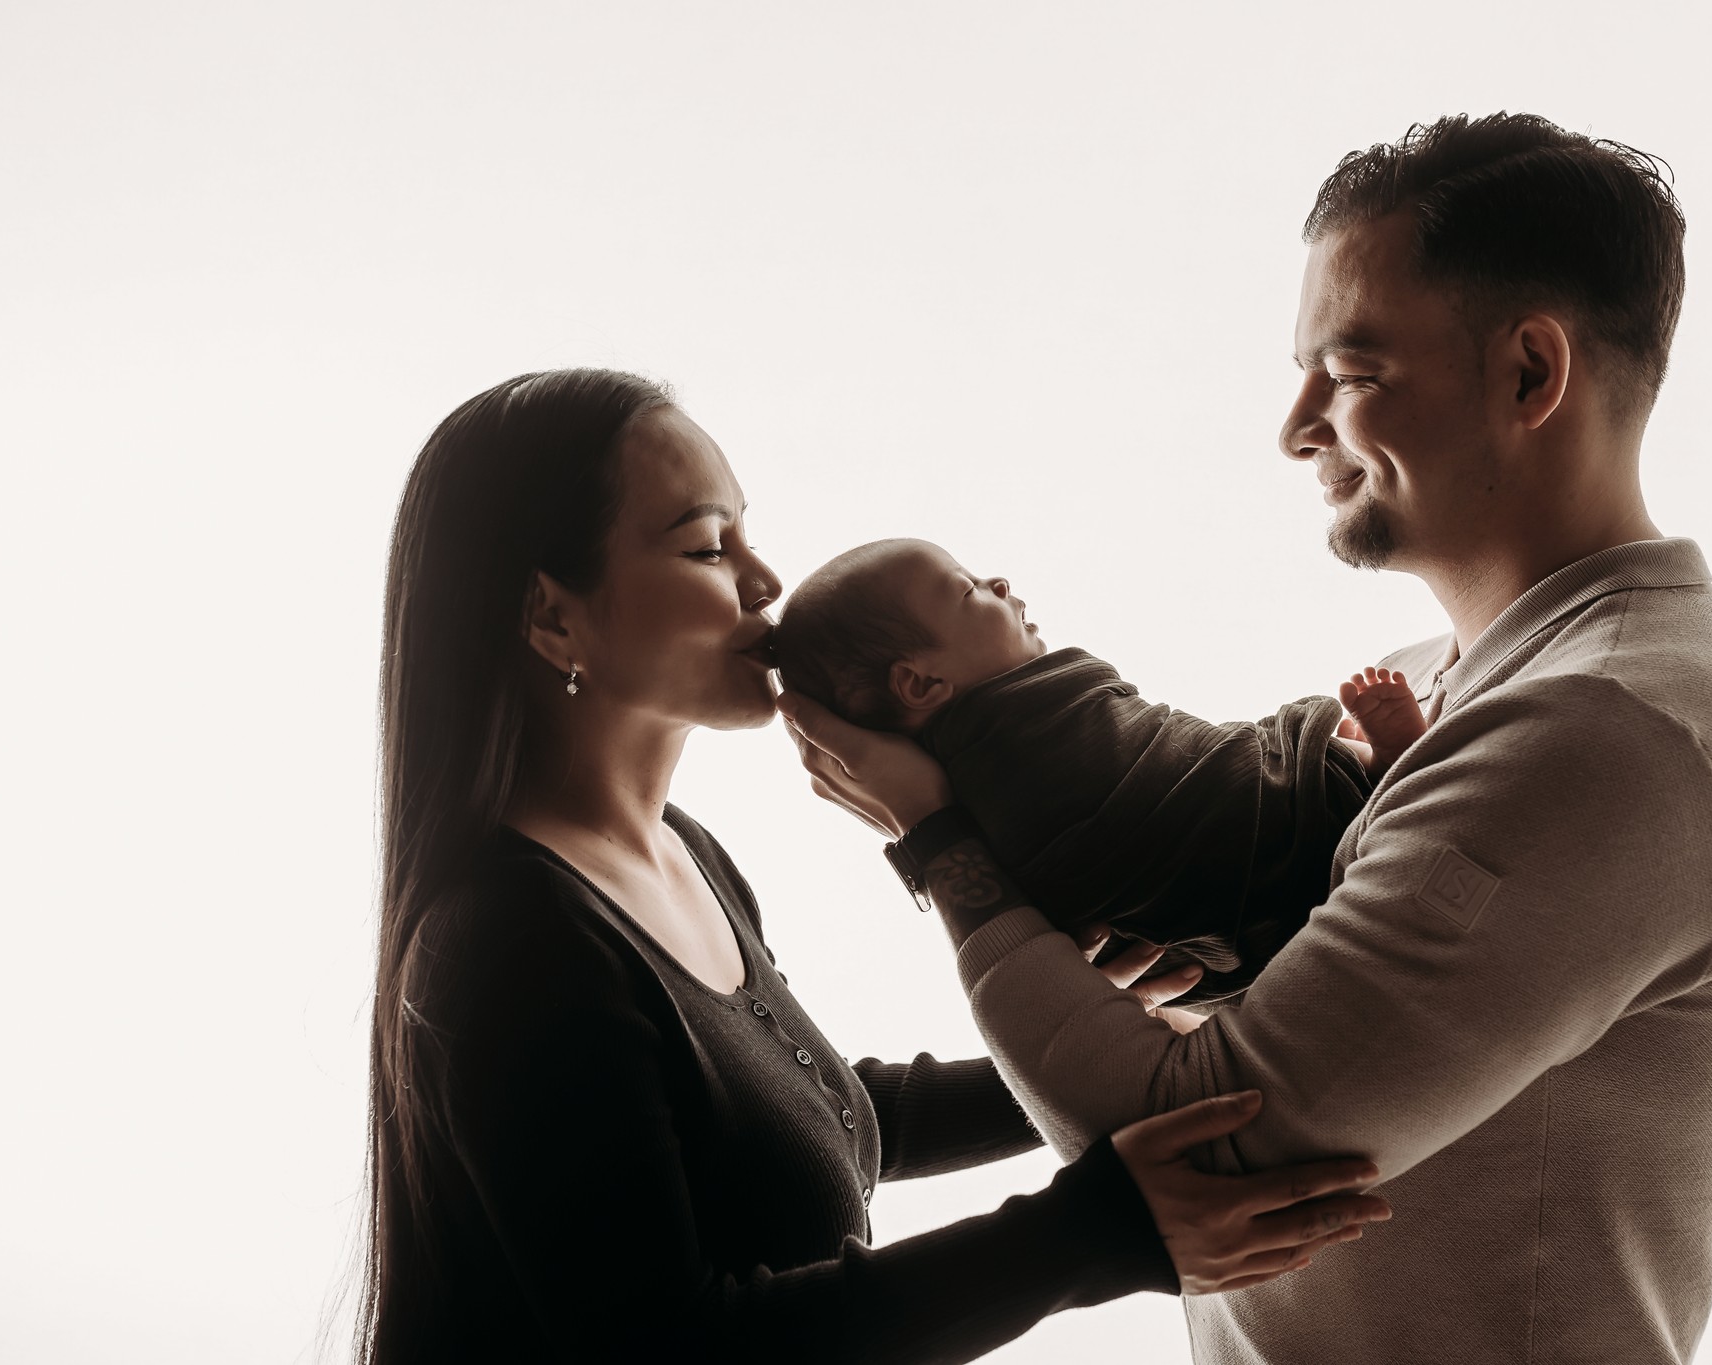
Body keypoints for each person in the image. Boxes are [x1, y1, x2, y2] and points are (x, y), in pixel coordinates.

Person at [781, 112, 1712, 1364]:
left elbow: (1185, 1161)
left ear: (1531, 376)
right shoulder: (1455, 687)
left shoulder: (1595, 735)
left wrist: (941, 843)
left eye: (1352, 370)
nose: (1295, 426)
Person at [355, 368, 1396, 1363]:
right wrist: (1095, 1233)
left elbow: (825, 1119)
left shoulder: (681, 857)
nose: (765, 582)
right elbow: (675, 1350)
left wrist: (1119, 1044)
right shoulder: (505, 942)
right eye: (708, 548)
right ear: (550, 615)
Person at [775, 536, 1424, 1002]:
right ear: (920, 683)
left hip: (1238, 966)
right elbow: (1151, 797)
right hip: (1280, 837)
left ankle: (1364, 777)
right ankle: (1373, 770)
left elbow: (1153, 767)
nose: (999, 582)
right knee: (1280, 780)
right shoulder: (1028, 731)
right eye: (969, 587)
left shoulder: (968, 797)